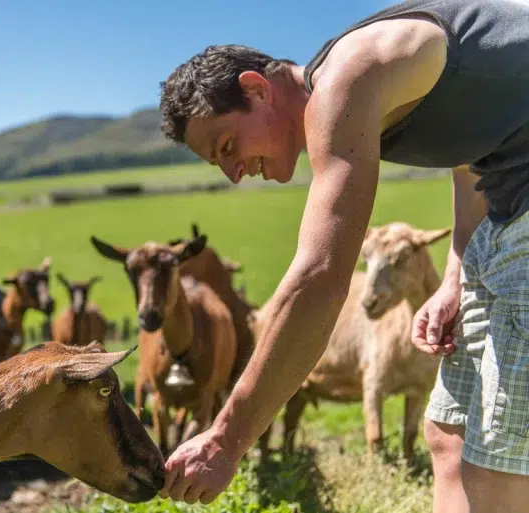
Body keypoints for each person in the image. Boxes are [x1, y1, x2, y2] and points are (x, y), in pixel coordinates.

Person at [155, 1, 529, 512]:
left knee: (500, 463)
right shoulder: (371, 86)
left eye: (226, 147)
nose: (234, 173)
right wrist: (454, 278)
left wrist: (225, 440)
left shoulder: (345, 83)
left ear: (256, 89)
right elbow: (468, 156)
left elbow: (320, 277)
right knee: (449, 436)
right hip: (507, 211)